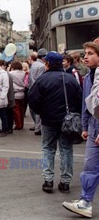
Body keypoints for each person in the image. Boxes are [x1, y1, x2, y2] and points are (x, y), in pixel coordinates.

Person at [29, 51, 82, 194]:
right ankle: (65, 182)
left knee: (48, 148)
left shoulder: (42, 79)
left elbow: (33, 100)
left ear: (47, 64)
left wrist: (42, 112)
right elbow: (79, 99)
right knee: (66, 150)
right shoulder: (70, 79)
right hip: (67, 121)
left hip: (48, 120)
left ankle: (48, 180)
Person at [63, 42, 99, 217]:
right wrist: (85, 126)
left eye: (90, 53)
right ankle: (85, 202)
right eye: (85, 53)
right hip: (93, 127)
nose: (86, 56)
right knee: (90, 166)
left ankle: (85, 201)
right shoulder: (89, 76)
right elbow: (87, 103)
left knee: (91, 165)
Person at [28, 49, 47, 135]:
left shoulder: (33, 64)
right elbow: (40, 79)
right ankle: (38, 128)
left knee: (34, 109)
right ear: (43, 57)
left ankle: (37, 126)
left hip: (32, 88)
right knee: (40, 110)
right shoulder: (42, 66)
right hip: (38, 89)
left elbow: (30, 77)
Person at [9, 61, 26, 130]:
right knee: (22, 110)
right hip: (22, 93)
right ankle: (21, 124)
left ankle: (18, 125)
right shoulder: (23, 73)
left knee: (16, 110)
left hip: (15, 94)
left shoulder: (11, 73)